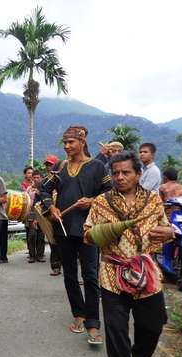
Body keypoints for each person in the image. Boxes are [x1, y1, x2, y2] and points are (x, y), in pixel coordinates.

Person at [84, 151, 174, 357]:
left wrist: (169, 232)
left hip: (146, 271)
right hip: (112, 274)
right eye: (116, 173)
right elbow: (88, 234)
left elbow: (165, 228)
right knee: (116, 331)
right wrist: (99, 235)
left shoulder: (153, 200)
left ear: (138, 174)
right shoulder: (101, 202)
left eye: (126, 172)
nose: (120, 177)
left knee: (154, 323)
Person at [41, 126, 112, 345]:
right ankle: (78, 314)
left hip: (88, 230)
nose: (66, 146)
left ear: (82, 142)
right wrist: (50, 207)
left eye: (70, 142)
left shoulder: (98, 167)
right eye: (64, 143)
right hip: (64, 228)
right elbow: (43, 189)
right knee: (70, 275)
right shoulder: (61, 168)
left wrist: (93, 201)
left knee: (90, 275)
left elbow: (111, 193)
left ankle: (93, 323)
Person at [43, 155, 62, 276]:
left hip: (63, 213)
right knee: (53, 241)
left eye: (51, 165)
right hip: (49, 214)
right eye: (47, 165)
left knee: (64, 242)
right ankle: (55, 266)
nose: (49, 167)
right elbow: (42, 198)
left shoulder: (62, 179)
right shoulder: (44, 181)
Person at [26, 170, 46, 263]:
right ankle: (32, 256)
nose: (36, 179)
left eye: (38, 177)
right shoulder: (29, 189)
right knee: (32, 235)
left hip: (42, 214)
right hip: (31, 214)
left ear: (41, 178)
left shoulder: (45, 189)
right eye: (34, 178)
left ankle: (40, 255)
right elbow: (26, 201)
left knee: (41, 235)